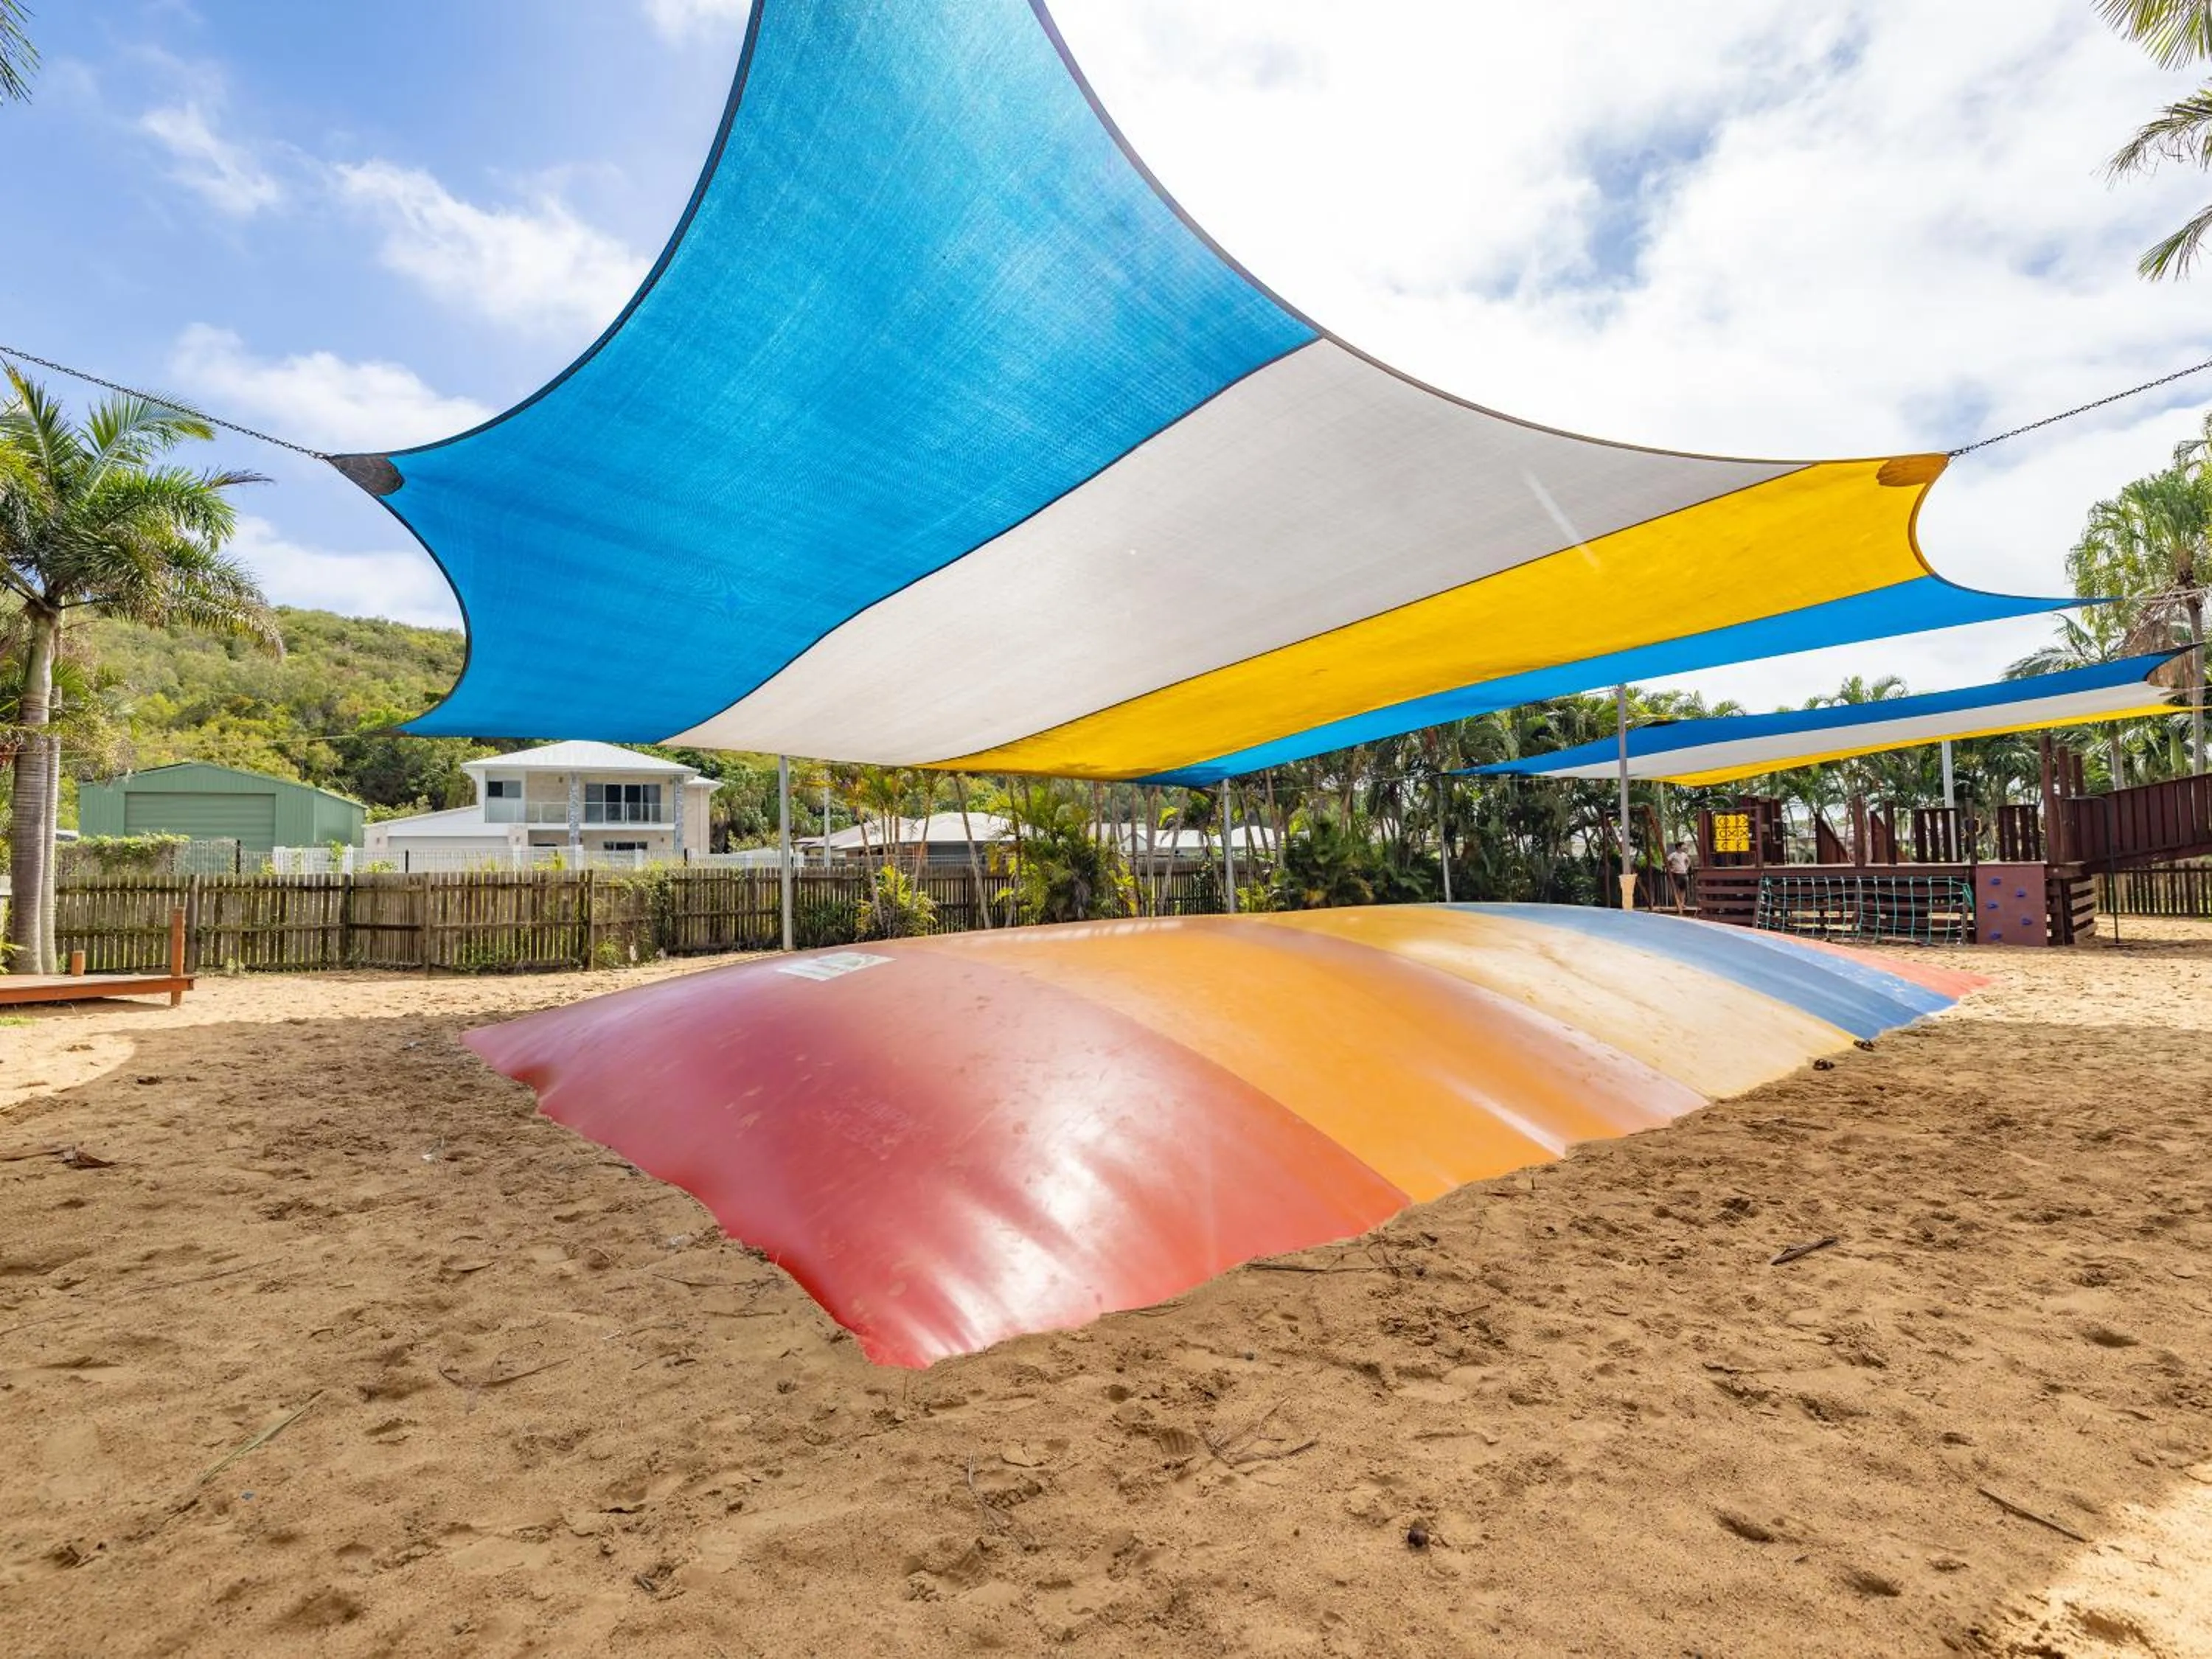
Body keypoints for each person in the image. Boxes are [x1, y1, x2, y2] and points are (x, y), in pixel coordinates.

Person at [1666, 838, 1695, 914]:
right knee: (1677, 889)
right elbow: (1667, 861)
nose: (1684, 847)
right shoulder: (1673, 855)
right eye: (1683, 846)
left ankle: (1682, 903)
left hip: (1683, 873)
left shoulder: (1684, 855)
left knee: (1683, 889)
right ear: (1679, 847)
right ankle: (1678, 903)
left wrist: (1686, 867)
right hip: (1677, 873)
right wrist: (1671, 869)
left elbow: (1689, 861)